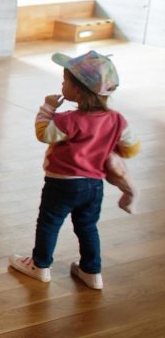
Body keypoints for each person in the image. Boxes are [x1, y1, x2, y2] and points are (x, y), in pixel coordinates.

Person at [9, 50, 141, 290]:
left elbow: (43, 134)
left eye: (64, 81)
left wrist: (47, 108)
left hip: (62, 183)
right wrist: (110, 146)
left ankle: (40, 266)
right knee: (87, 226)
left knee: (49, 222)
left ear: (78, 90)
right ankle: (92, 272)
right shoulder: (117, 120)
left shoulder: (68, 120)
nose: (61, 85)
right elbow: (131, 148)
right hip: (94, 185)